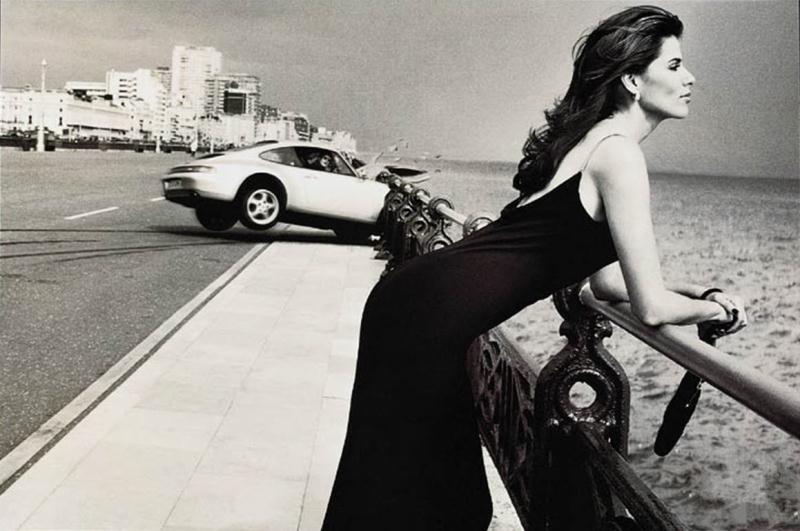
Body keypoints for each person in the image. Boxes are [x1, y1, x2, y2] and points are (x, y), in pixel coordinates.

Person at [322, 6, 747, 530]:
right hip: (426, 321)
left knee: (417, 494)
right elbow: (652, 307)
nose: (691, 78)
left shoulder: (588, 141)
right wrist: (717, 311)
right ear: (633, 80)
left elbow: (606, 283)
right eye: (676, 65)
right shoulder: (619, 155)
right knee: (422, 503)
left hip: (416, 303)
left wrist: (696, 291)